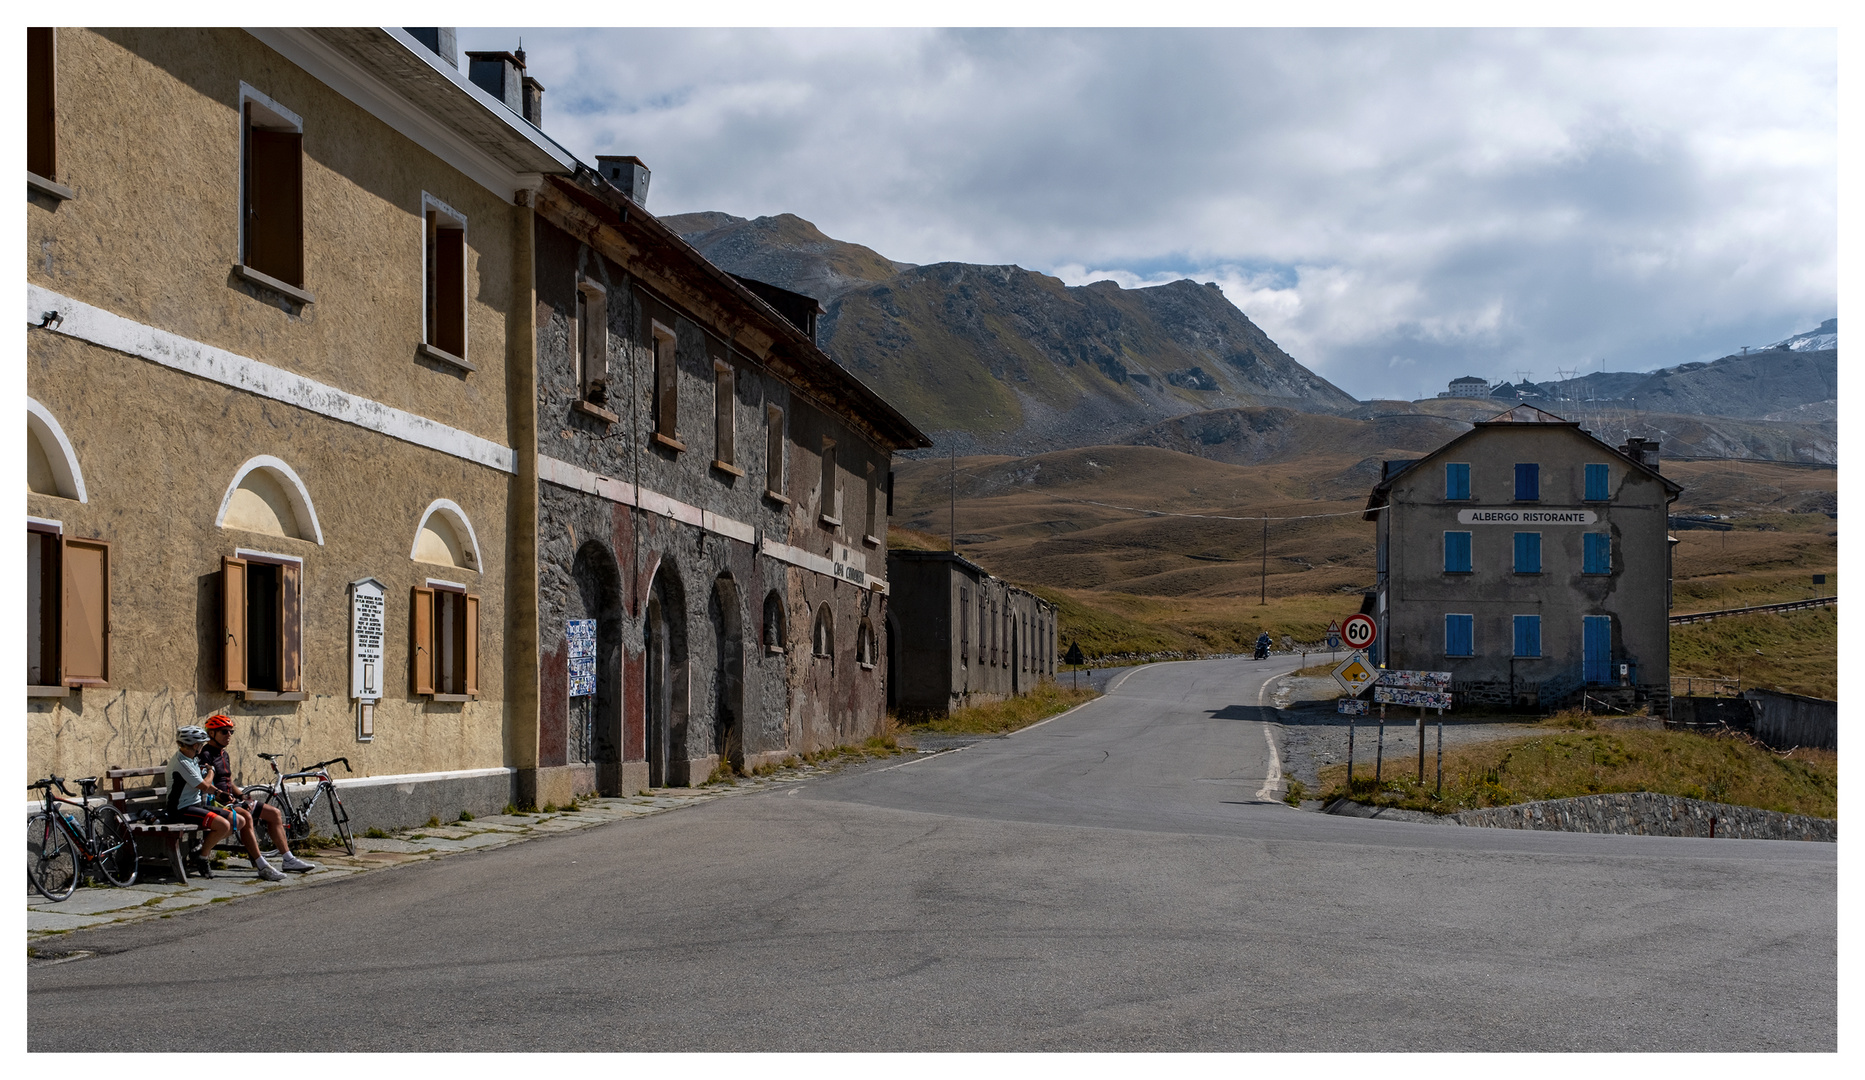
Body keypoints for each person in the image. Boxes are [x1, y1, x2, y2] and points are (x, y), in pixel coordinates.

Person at [199, 714, 317, 877]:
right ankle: (261, 865)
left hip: (233, 799)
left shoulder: (223, 754)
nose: (229, 736)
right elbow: (204, 783)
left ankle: (288, 859)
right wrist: (222, 795)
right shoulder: (205, 754)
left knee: (274, 813)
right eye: (224, 732)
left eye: (231, 732)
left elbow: (229, 781)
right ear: (211, 733)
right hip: (218, 802)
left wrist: (244, 798)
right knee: (246, 816)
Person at [165, 725, 259, 878]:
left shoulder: (191, 758)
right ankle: (203, 857)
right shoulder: (182, 763)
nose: (202, 747)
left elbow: (208, 788)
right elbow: (204, 785)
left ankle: (202, 850)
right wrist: (211, 771)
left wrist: (220, 794)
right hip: (181, 809)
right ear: (195, 746)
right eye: (201, 744)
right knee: (223, 825)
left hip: (196, 805)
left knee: (238, 821)